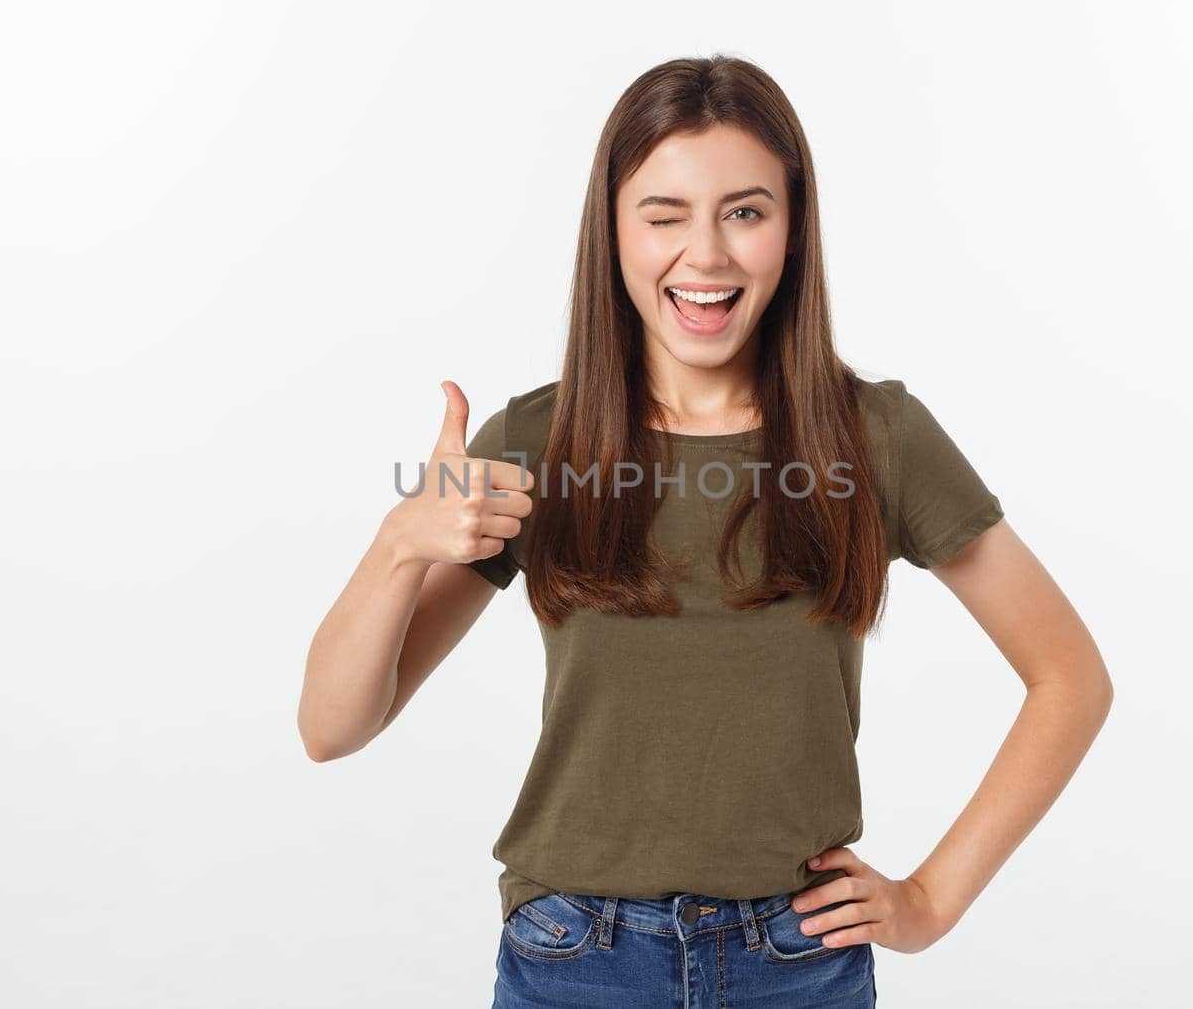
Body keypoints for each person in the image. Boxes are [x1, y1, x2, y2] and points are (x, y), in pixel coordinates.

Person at [298, 54, 1113, 1009]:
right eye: (664, 214)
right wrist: (401, 542)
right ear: (613, 232)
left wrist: (931, 900)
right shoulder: (535, 442)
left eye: (745, 211)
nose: (708, 255)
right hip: (576, 958)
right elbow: (331, 726)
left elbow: (1070, 677)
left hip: (796, 961)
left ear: (793, 230)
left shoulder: (877, 438)